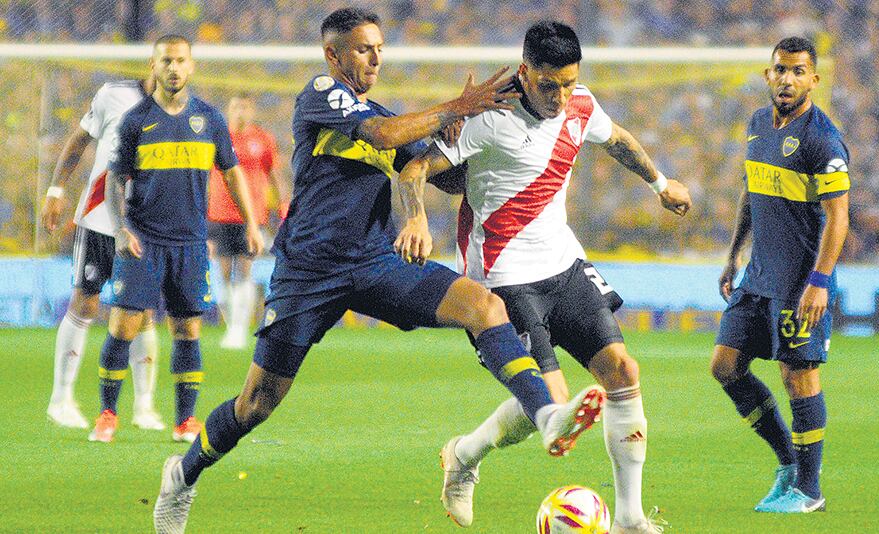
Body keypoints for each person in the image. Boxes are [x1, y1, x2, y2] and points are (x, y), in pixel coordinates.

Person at [153, 9, 606, 534]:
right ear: (334, 55)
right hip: (309, 271)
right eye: (364, 48)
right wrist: (456, 105)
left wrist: (461, 133)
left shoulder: (389, 113)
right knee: (256, 404)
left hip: (375, 263)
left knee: (485, 306)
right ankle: (182, 476)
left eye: (379, 49)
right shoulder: (322, 93)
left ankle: (546, 417)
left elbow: (446, 180)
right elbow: (386, 134)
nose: (374, 58)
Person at [394, 20, 691, 534]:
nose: (560, 96)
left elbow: (616, 139)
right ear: (526, 73)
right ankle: (464, 454)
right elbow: (415, 169)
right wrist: (416, 217)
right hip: (504, 279)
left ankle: (629, 519)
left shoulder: (580, 104)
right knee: (552, 411)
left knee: (623, 371)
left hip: (564, 264)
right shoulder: (489, 117)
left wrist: (660, 183)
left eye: (569, 83)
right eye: (549, 84)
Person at [87, 35, 264, 444]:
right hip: (143, 240)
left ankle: (185, 420)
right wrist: (120, 228)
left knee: (187, 329)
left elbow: (232, 171)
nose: (174, 68)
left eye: (181, 61)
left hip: (190, 242)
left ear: (191, 66)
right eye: (166, 60)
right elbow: (116, 178)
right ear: (154, 65)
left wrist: (251, 223)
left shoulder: (210, 119)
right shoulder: (136, 121)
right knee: (123, 325)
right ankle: (107, 414)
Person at [711, 36, 849, 514]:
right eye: (780, 70)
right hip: (757, 275)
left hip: (799, 280)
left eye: (798, 71)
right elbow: (752, 192)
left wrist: (820, 282)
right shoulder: (756, 124)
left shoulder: (822, 139)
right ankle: (788, 463)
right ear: (768, 74)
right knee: (725, 366)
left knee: (799, 377)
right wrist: (733, 255)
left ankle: (809, 491)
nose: (787, 79)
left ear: (814, 79)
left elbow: (839, 217)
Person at [41, 75, 164, 431]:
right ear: (151, 62)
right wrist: (56, 189)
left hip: (144, 224)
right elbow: (80, 139)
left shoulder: (178, 112)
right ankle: (60, 399)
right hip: (99, 217)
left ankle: (144, 407)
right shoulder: (114, 94)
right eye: (163, 59)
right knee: (85, 303)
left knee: (142, 313)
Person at [207, 94, 290, 350]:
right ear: (228, 110)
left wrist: (284, 205)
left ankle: (240, 329)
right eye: (235, 107)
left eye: (244, 107)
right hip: (219, 213)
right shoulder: (217, 138)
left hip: (251, 216)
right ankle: (232, 325)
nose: (239, 112)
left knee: (244, 270)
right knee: (221, 273)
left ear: (252, 111)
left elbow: (275, 174)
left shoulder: (262, 139)